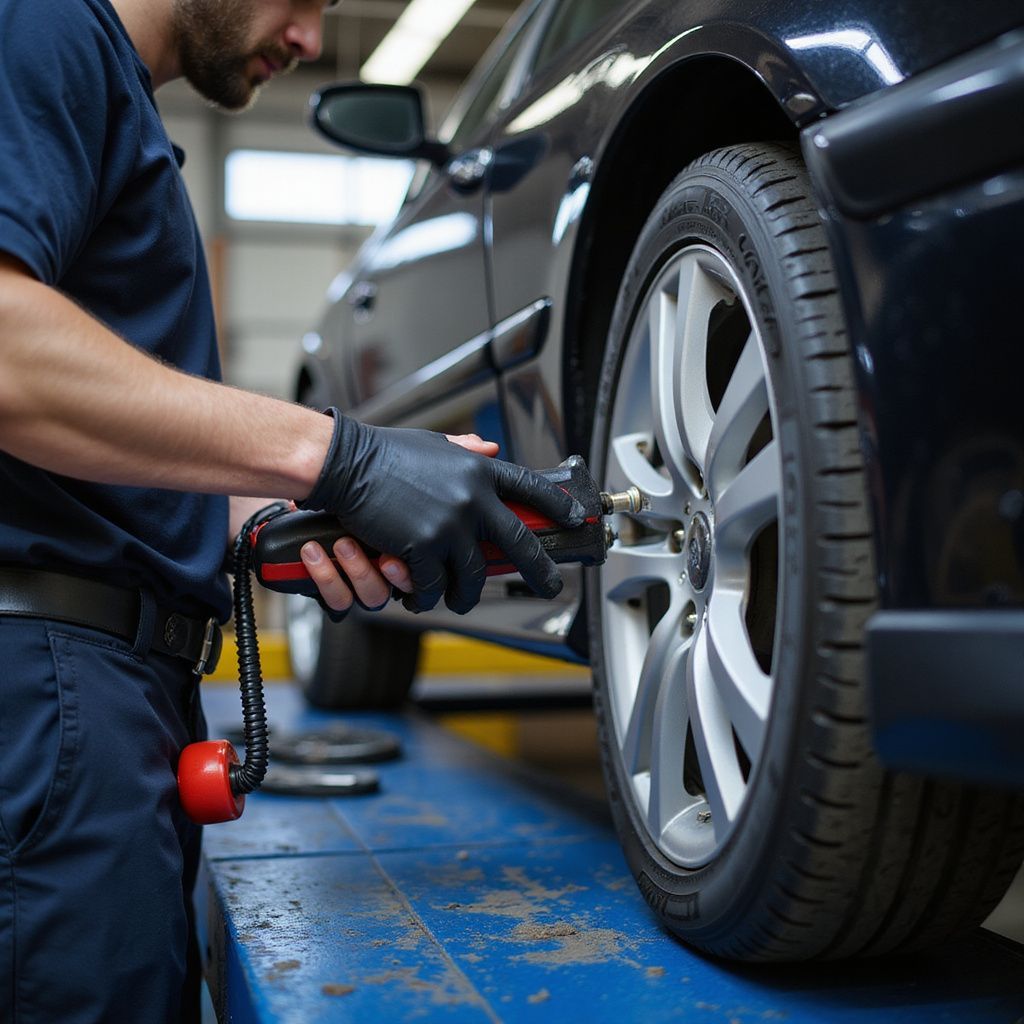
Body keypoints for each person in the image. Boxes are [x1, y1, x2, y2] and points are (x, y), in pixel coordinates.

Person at [0, 1, 582, 1020]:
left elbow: (89, 467)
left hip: (98, 696)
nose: (311, 38)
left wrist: (282, 514)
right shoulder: (40, 27)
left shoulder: (104, 90)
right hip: (44, 697)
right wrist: (339, 457)